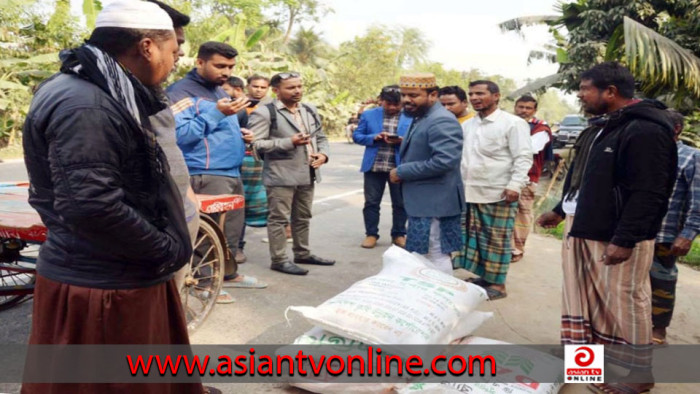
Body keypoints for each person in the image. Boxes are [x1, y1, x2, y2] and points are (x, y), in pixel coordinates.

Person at [21, 1, 201, 393]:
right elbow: (91, 205)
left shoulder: (101, 88)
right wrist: (167, 249)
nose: (176, 62)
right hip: (104, 287)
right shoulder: (87, 103)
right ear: (148, 47)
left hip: (113, 272)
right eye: (174, 52)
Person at [537, 62, 677, 394]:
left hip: (615, 234)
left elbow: (650, 191)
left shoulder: (645, 130)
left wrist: (625, 239)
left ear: (610, 92)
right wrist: (560, 210)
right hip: (582, 225)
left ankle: (640, 373)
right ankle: (588, 367)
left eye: (585, 88)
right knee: (581, 298)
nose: (580, 95)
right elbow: (586, 178)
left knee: (626, 299)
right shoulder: (602, 126)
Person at [168, 42, 267, 296]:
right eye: (220, 65)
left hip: (231, 171)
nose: (226, 72)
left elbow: (218, 127)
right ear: (199, 62)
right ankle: (202, 283)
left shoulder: (219, 92)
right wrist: (216, 116)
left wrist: (240, 134)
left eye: (231, 67)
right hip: (204, 172)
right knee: (206, 231)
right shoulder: (181, 93)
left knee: (230, 231)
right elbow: (178, 135)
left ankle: (227, 274)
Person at [249, 72, 335, 275]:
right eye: (291, 87)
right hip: (281, 175)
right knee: (279, 219)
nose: (297, 91)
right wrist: (290, 142)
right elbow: (256, 144)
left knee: (303, 216)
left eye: (299, 86)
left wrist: (323, 154)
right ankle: (279, 259)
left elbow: (321, 137)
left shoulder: (309, 110)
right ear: (276, 90)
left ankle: (302, 253)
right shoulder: (264, 112)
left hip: (308, 173)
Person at [453, 80, 532, 300]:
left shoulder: (513, 123)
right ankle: (485, 278)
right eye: (471, 94)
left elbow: (523, 156)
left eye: (480, 93)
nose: (474, 98)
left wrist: (515, 185)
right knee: (476, 238)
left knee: (496, 239)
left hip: (498, 192)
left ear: (496, 96)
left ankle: (498, 285)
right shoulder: (467, 125)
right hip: (469, 191)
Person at [389, 73, 464, 275]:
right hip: (425, 201)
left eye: (413, 95)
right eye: (404, 95)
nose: (406, 100)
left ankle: (444, 302)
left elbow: (444, 161)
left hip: (434, 202)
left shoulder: (441, 120)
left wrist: (402, 171)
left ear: (433, 95)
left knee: (435, 254)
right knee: (424, 254)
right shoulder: (423, 116)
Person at [651, 109, 700, 345]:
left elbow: (698, 198)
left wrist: (688, 233)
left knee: (662, 282)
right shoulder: (646, 151)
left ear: (677, 129)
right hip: (635, 233)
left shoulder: (691, 157)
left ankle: (658, 331)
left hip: (666, 234)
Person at [353, 85, 411, 249]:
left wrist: (402, 140)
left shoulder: (411, 115)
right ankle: (371, 234)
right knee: (371, 203)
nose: (392, 107)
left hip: (399, 167)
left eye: (396, 104)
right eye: (388, 104)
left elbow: (419, 138)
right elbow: (357, 136)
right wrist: (374, 137)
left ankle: (399, 234)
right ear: (381, 100)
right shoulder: (369, 114)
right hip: (374, 166)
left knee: (400, 203)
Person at [511, 95, 552, 262]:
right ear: (515, 107)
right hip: (505, 176)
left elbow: (530, 148)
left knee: (522, 213)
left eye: (528, 108)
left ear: (534, 110)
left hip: (527, 178)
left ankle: (516, 249)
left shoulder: (541, 129)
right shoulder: (510, 123)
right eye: (520, 107)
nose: (523, 111)